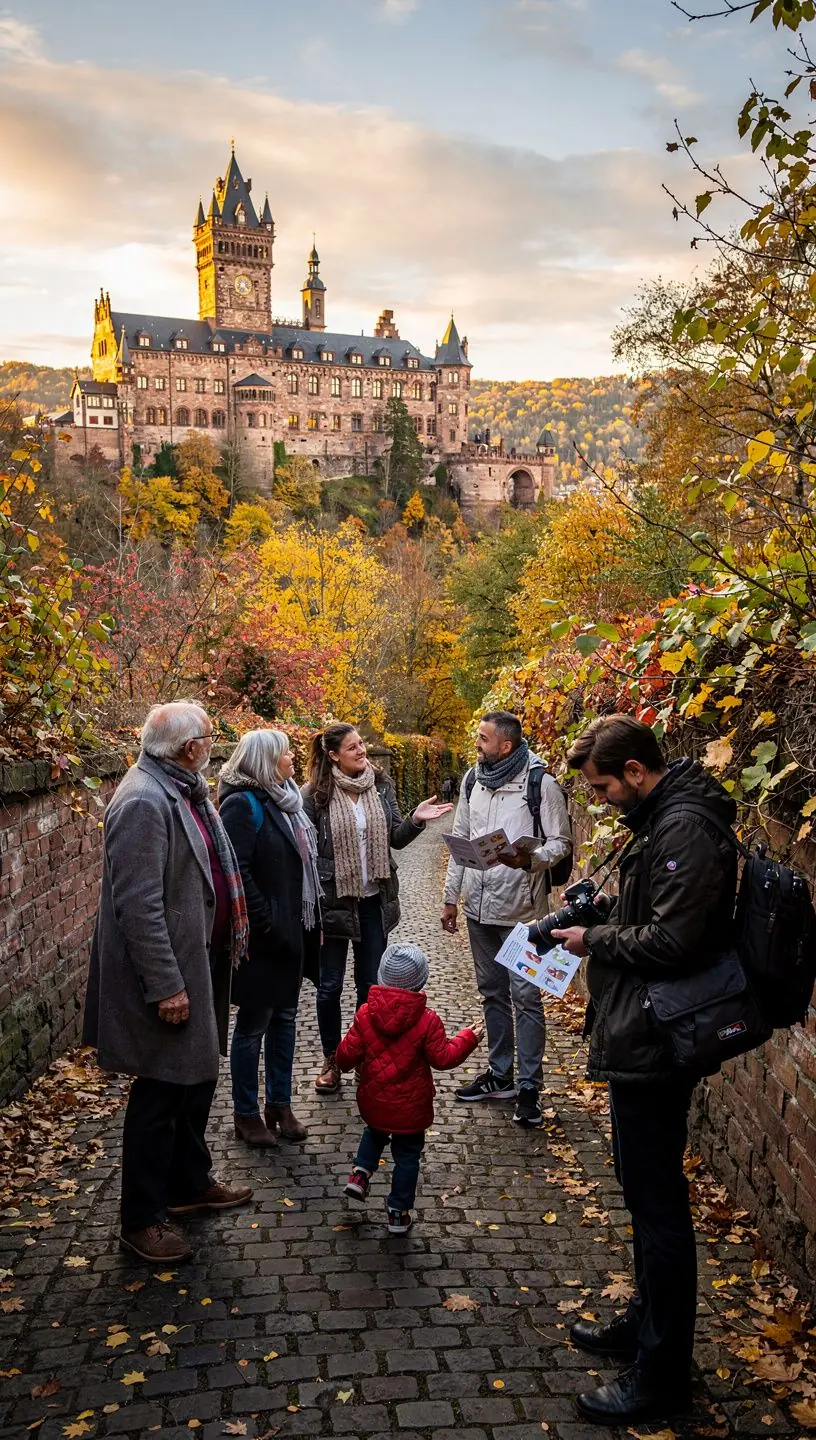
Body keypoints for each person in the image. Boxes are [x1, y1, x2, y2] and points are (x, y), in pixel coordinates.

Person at [552, 715, 738, 1425]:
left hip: (659, 1039)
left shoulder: (684, 826)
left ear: (635, 770)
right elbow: (656, 911)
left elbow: (677, 938)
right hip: (641, 1031)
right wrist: (603, 908)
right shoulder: (663, 818)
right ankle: (645, 1321)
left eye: (602, 787)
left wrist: (591, 935)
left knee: (658, 1208)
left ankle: (660, 1374)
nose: (599, 800)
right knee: (640, 1189)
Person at [83, 701, 253, 1265]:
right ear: (188, 748)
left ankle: (187, 1185)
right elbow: (138, 906)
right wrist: (166, 987)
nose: (214, 743)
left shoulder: (182, 787)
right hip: (169, 975)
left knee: (193, 1082)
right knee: (159, 1092)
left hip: (198, 961)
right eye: (209, 736)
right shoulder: (142, 801)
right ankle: (140, 1219)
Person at [302, 723, 452, 1094]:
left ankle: (365, 1055)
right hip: (333, 904)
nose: (361, 751)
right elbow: (305, 853)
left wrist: (416, 820)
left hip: (373, 901)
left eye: (361, 745)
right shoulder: (315, 795)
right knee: (329, 987)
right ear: (333, 754)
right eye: (352, 747)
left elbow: (395, 838)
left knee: (370, 987)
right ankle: (333, 1059)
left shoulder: (380, 785)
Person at [441, 711, 571, 1127]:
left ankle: (530, 1086)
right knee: (491, 995)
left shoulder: (541, 784)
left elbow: (562, 843)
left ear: (506, 746)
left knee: (527, 1000)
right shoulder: (471, 781)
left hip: (524, 914)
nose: (476, 743)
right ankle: (501, 1075)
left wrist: (529, 860)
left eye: (482, 738)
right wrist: (450, 899)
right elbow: (459, 841)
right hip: (477, 910)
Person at [335, 941, 483, 1233]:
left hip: (374, 1101)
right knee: (407, 1157)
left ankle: (360, 1174)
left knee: (374, 1131)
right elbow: (444, 1058)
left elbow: (345, 1056)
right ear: (421, 981)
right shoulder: (427, 1020)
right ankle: (398, 1213)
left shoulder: (365, 1013)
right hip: (411, 1108)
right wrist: (468, 1037)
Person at [219, 729, 320, 1148]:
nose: (293, 757)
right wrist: (267, 920)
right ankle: (245, 1113)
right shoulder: (242, 805)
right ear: (264, 760)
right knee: (252, 1026)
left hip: (293, 932)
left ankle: (279, 1104)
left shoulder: (288, 798)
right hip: (263, 938)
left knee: (286, 1019)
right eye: (285, 753)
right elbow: (235, 873)